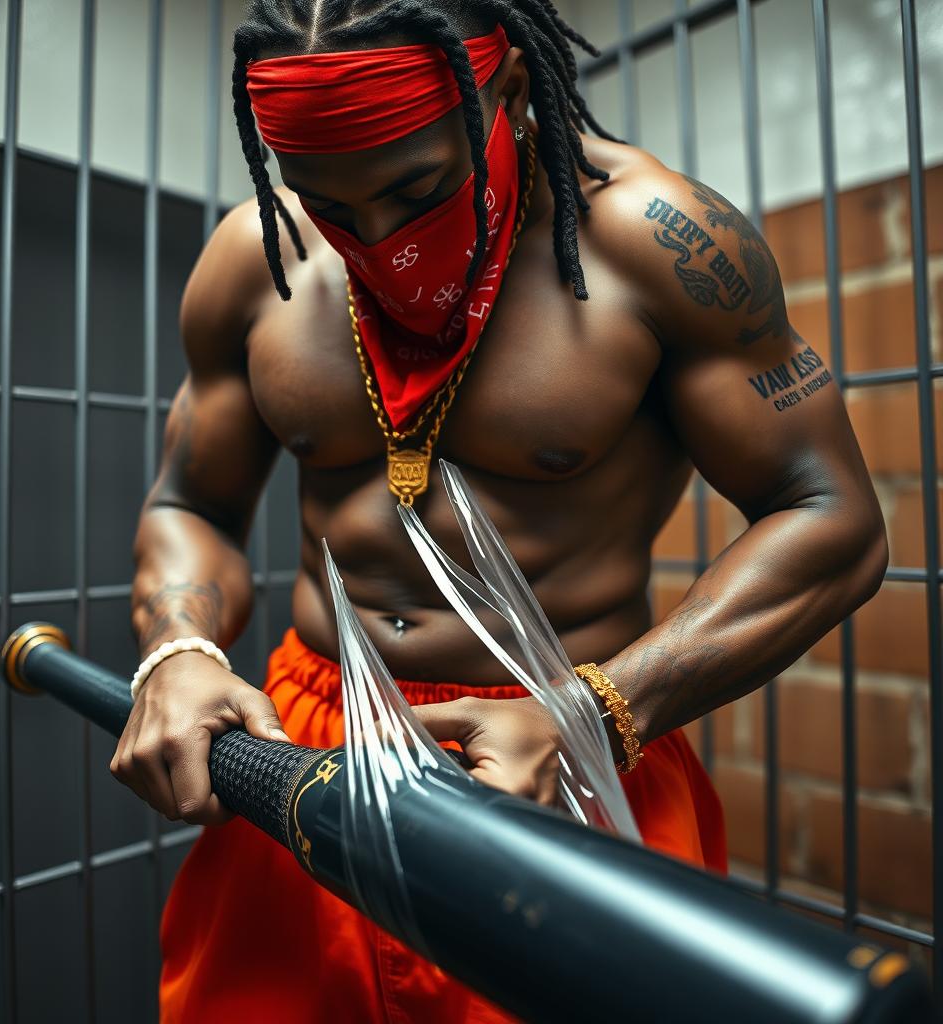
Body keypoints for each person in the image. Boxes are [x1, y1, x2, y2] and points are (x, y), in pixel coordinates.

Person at [111, 2, 888, 1020]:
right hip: (312, 762)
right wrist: (177, 649)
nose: (378, 244)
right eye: (329, 204)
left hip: (559, 758)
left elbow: (831, 517)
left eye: (417, 187)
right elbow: (191, 502)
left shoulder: (655, 242)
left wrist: (593, 716)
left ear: (508, 91)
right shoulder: (256, 258)